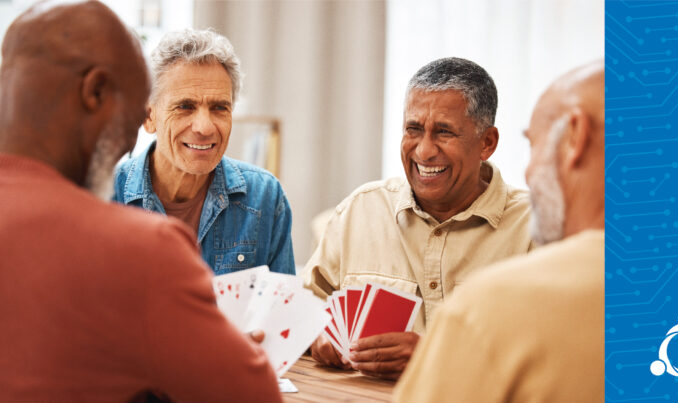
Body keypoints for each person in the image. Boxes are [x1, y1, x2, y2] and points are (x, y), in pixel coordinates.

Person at [0, 2, 281, 401]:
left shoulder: (264, 195)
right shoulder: (140, 248)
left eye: (220, 107)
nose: (131, 142)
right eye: (133, 116)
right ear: (97, 94)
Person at [303, 57, 533, 379]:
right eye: (413, 129)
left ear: (487, 143)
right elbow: (305, 308)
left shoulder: (538, 229)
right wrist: (318, 334)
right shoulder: (360, 210)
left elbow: (559, 355)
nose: (424, 151)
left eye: (444, 132)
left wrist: (435, 354)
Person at [393, 61, 605, 402]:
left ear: (575, 139)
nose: (529, 169)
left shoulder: (486, 309)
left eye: (533, 145)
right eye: (413, 129)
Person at [113, 29, 294, 276]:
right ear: (148, 117)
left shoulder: (264, 197)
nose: (204, 127)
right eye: (185, 107)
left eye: (219, 108)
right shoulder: (103, 199)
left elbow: (281, 312)